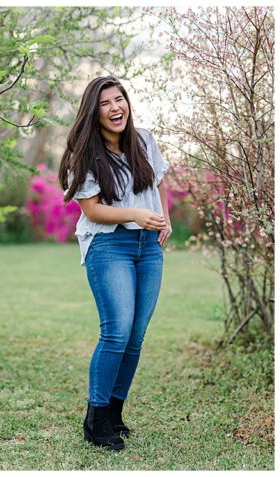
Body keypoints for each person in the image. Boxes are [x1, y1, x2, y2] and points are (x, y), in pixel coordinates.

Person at [57, 76, 171, 451]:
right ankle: (95, 418)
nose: (115, 107)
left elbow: (158, 184)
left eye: (119, 99)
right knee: (117, 331)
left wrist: (163, 217)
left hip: (148, 246)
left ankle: (114, 414)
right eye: (105, 103)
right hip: (109, 245)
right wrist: (137, 213)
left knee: (136, 335)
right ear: (95, 111)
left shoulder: (144, 140)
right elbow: (92, 210)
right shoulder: (85, 155)